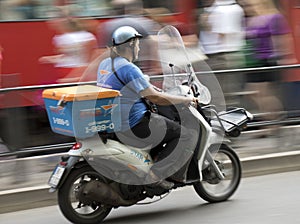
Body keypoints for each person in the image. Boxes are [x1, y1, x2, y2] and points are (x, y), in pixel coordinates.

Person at [97, 26, 200, 189]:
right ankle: (155, 176)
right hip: (135, 123)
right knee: (186, 135)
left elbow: (131, 87)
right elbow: (154, 97)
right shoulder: (128, 68)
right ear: (131, 45)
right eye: (137, 43)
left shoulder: (106, 64)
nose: (139, 47)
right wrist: (184, 100)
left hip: (114, 121)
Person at [243, 0, 296, 134]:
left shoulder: (274, 17)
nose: (248, 7)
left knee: (261, 93)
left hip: (268, 60)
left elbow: (283, 37)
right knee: (255, 93)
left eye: (251, 4)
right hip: (255, 61)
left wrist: (284, 56)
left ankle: (273, 122)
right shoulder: (253, 18)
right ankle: (273, 120)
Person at [198, 0, 245, 99]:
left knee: (221, 93)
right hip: (216, 55)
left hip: (221, 55)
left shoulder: (225, 9)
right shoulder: (215, 8)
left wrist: (206, 22)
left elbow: (222, 34)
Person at [39, 17, 97, 83]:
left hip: (65, 69)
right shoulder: (88, 36)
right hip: (82, 68)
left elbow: (65, 55)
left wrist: (50, 59)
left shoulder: (60, 38)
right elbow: (89, 55)